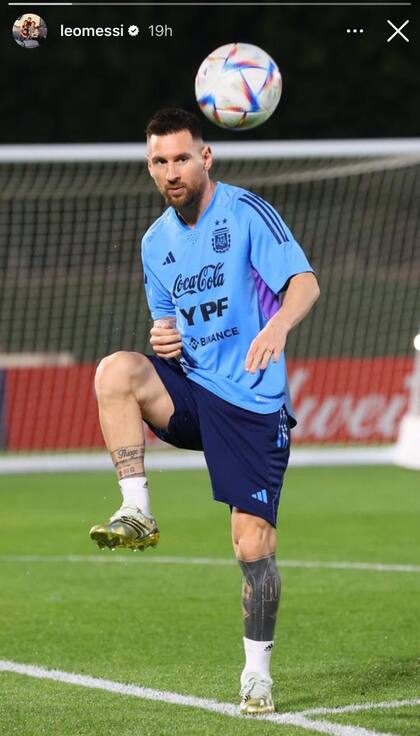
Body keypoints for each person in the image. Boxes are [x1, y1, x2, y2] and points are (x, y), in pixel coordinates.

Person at [90, 108, 320, 714]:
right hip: (193, 393)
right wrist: (162, 340)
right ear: (150, 166)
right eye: (159, 162)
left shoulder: (245, 213)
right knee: (116, 370)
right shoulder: (154, 242)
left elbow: (304, 284)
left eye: (182, 158)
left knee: (252, 549)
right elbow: (167, 325)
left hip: (250, 400)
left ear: (206, 157)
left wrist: (277, 326)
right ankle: (136, 510)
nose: (171, 171)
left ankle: (257, 675)